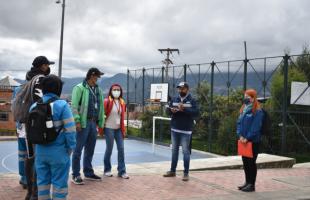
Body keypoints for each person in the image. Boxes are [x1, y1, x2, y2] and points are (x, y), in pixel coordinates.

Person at [30, 75, 76, 199]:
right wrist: (70, 149)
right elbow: (71, 131)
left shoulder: (34, 106)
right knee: (59, 186)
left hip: (40, 153)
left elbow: (30, 132)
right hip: (59, 152)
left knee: (42, 185)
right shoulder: (62, 105)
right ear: (58, 89)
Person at [25, 56, 55, 200]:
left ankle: (30, 192)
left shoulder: (30, 77)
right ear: (43, 66)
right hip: (36, 124)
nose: (49, 67)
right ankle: (35, 193)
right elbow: (40, 102)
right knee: (38, 159)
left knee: (30, 157)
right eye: (47, 65)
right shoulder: (39, 79)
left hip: (28, 122)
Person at [71, 67, 105, 185]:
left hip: (93, 123)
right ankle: (75, 174)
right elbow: (74, 106)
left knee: (90, 149)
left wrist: (101, 122)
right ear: (92, 76)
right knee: (78, 150)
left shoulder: (98, 90)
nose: (98, 79)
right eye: (97, 76)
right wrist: (77, 121)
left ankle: (88, 172)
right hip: (84, 123)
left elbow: (101, 107)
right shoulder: (79, 88)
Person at [163, 82, 199, 181]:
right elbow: (168, 111)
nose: (180, 90)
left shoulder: (192, 100)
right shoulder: (175, 99)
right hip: (175, 129)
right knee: (174, 151)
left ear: (187, 89)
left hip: (186, 130)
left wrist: (184, 110)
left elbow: (196, 112)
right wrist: (171, 111)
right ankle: (172, 171)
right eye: (179, 89)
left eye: (182, 89)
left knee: (185, 152)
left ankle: (186, 173)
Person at [237, 89, 264, 192]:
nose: (245, 98)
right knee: (245, 162)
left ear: (253, 98)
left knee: (251, 163)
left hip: (252, 141)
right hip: (243, 140)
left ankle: (252, 185)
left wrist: (247, 138)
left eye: (247, 97)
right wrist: (240, 135)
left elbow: (255, 127)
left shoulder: (257, 111)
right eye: (245, 96)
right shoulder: (243, 109)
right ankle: (247, 182)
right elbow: (238, 123)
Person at [102, 84, 129, 179]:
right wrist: (102, 127)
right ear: (111, 91)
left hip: (118, 129)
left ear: (121, 91)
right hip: (109, 128)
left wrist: (123, 129)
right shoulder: (107, 101)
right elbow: (102, 115)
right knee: (109, 149)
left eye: (118, 90)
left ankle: (122, 171)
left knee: (121, 149)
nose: (116, 91)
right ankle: (107, 169)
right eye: (114, 89)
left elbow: (122, 117)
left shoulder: (122, 102)